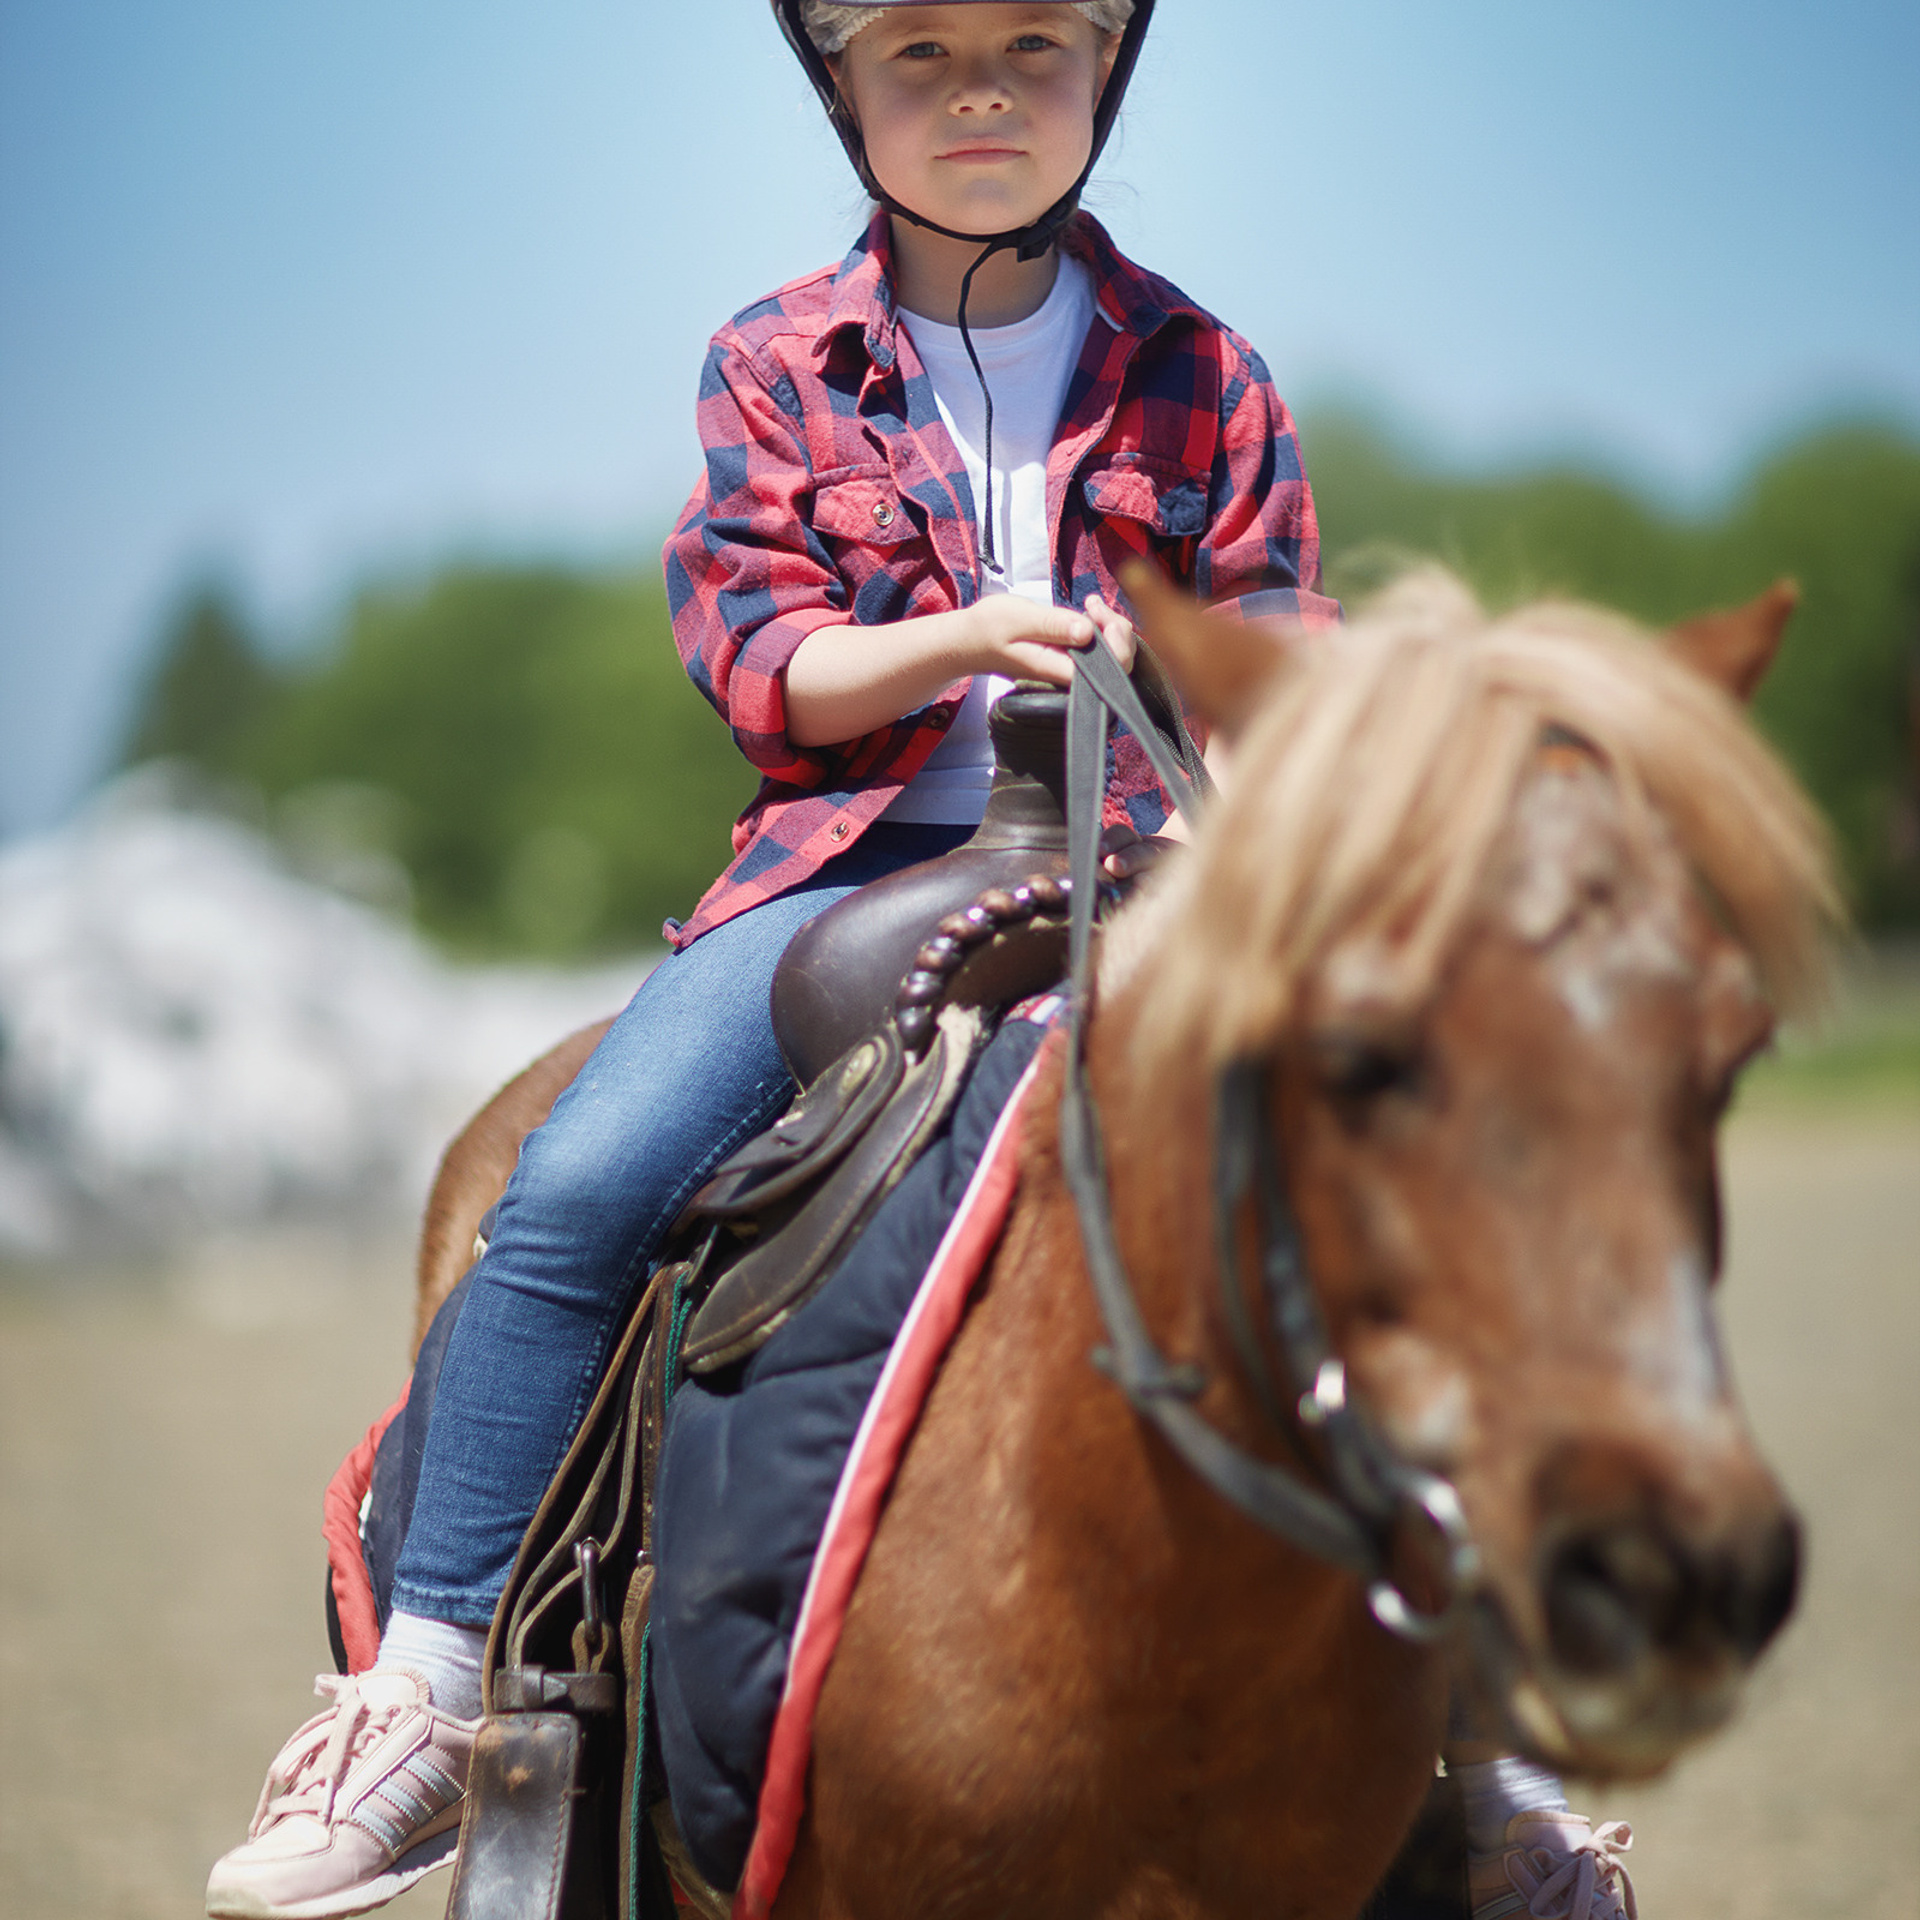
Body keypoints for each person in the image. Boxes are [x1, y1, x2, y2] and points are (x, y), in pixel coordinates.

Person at [207, 8, 1631, 1919]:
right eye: (922, 48)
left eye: (1037, 44)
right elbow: (758, 656)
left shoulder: (1206, 365)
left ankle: (1495, 1760)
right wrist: (965, 641)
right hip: (845, 866)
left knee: (1414, 1190)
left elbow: (1283, 633)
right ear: (844, 93)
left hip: (1159, 862)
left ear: (1102, 82)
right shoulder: (775, 356)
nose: (983, 87)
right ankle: (433, 1682)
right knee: (576, 1186)